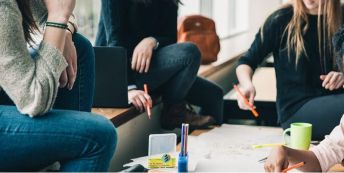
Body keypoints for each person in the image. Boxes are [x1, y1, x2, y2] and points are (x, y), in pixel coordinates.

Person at [0, 0, 117, 171]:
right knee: (99, 136)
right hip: (28, 99)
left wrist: (65, 31)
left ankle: (63, 154)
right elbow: (34, 100)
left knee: (81, 46)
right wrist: (58, 19)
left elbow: (47, 14)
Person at [95, 0, 224, 130]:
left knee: (215, 95)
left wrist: (152, 41)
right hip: (118, 74)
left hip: (151, 68)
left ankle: (201, 145)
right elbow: (114, 42)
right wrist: (128, 89)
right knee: (191, 52)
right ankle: (173, 112)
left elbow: (170, 38)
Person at [236, 0, 344, 140]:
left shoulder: (341, 16)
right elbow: (246, 62)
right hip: (296, 112)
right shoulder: (280, 19)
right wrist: (246, 85)